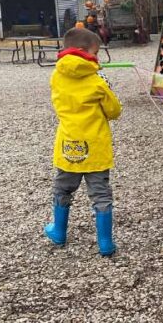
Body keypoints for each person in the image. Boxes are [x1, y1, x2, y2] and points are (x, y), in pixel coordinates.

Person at [43, 27, 123, 256]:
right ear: (82, 51)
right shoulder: (96, 80)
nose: (97, 58)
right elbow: (114, 110)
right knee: (100, 194)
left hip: (69, 145)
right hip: (95, 148)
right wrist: (106, 86)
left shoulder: (56, 75)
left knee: (63, 187)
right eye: (95, 53)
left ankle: (58, 231)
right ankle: (105, 243)